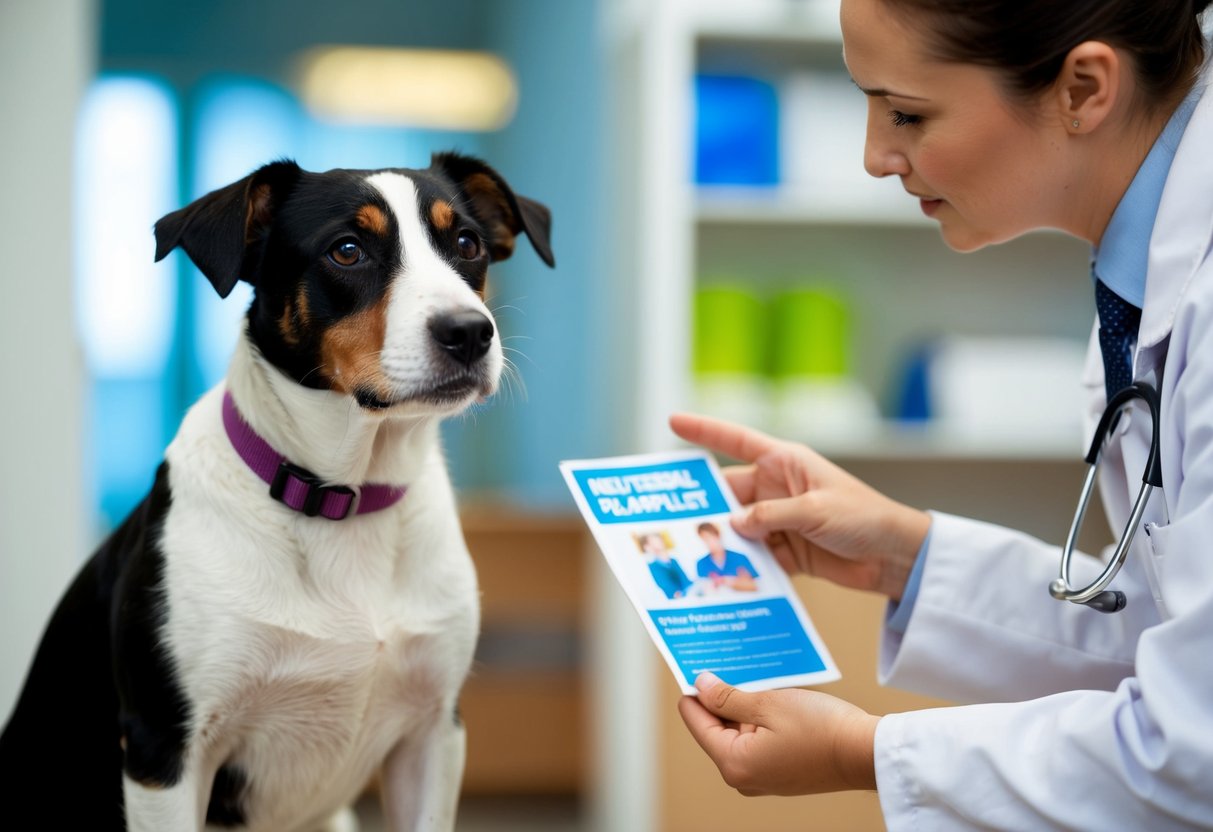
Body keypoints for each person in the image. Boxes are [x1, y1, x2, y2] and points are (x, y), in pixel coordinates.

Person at [672, 0, 1213, 828]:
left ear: (1082, 88)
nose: (873, 156)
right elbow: (1166, 640)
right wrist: (905, 553)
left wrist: (865, 752)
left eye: (906, 113)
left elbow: (1194, 745)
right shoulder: (1139, 286)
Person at [694, 521, 759, 592]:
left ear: (718, 535)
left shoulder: (739, 558)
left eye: (710, 537)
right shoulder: (701, 563)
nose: (709, 542)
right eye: (705, 539)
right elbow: (703, 590)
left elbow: (754, 586)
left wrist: (728, 581)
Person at [640, 531, 694, 600]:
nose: (658, 542)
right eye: (653, 541)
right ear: (647, 547)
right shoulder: (653, 566)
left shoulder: (673, 561)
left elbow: (686, 581)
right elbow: (668, 589)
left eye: (658, 540)